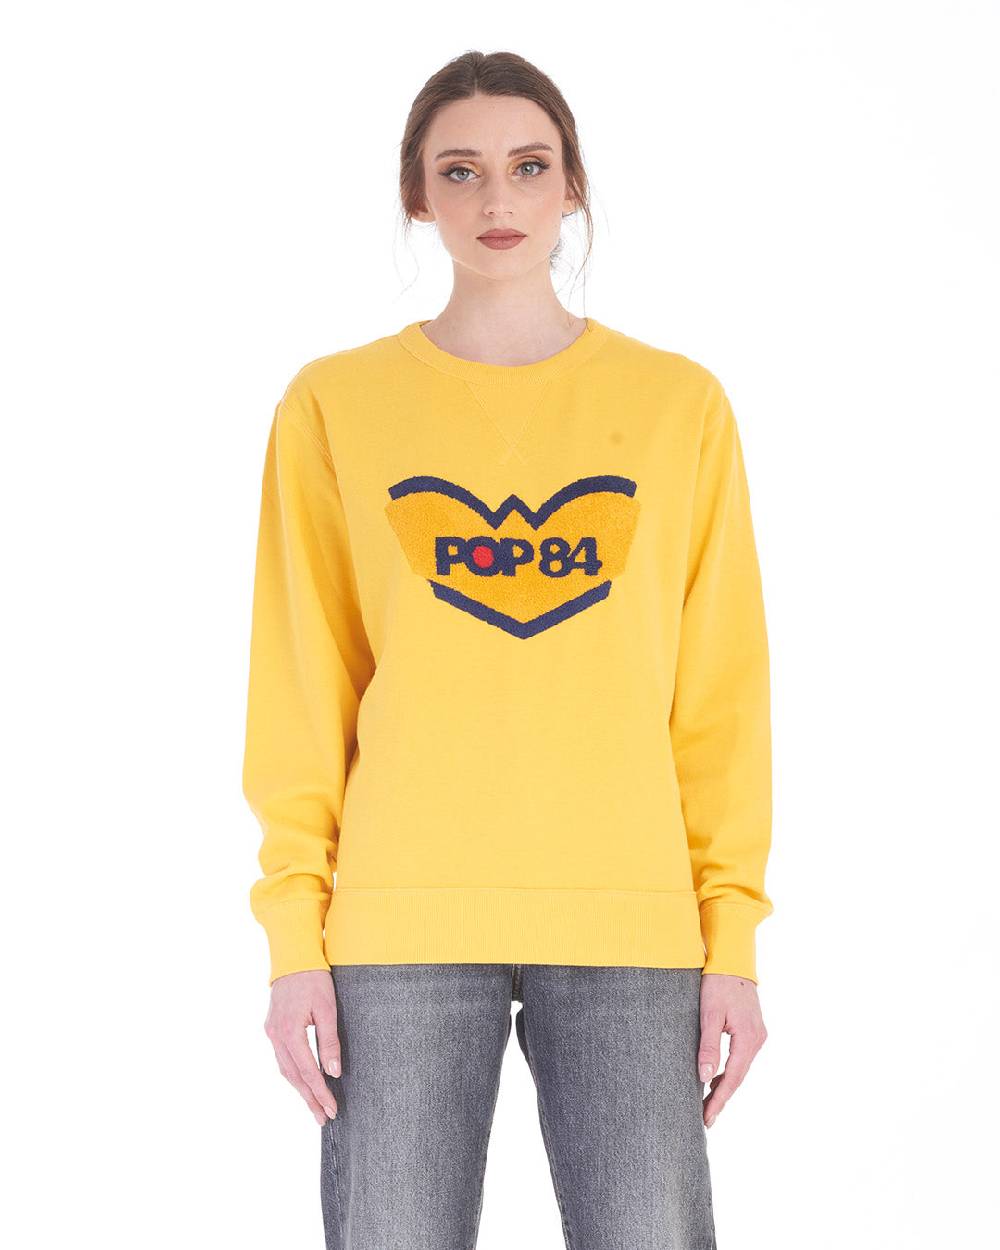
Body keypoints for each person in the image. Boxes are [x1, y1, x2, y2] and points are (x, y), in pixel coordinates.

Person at [242, 49, 773, 1250]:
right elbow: (302, 683)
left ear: (571, 186)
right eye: (460, 171)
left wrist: (731, 939)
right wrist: (292, 941)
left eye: (529, 167)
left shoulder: (678, 404)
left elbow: (720, 696)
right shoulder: (334, 404)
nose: (497, 199)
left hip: (634, 916)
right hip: (397, 920)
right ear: (416, 195)